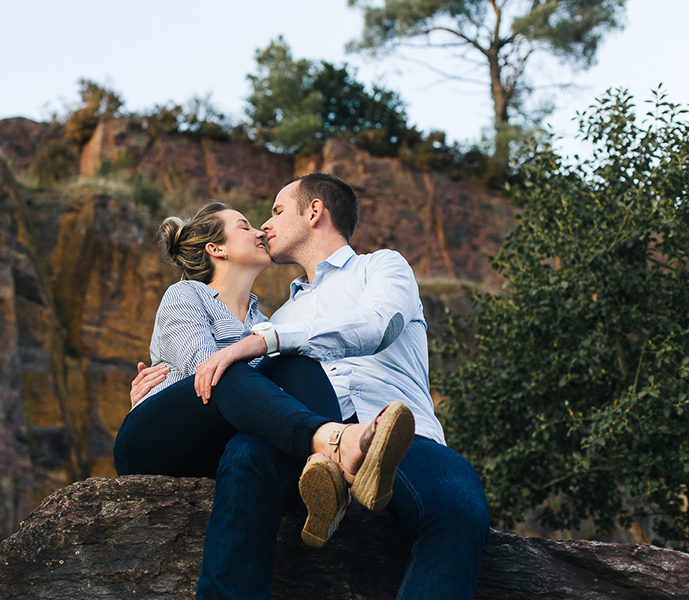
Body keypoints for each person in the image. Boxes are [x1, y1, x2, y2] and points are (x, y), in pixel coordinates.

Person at [132, 174, 490, 599]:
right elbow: (237, 391)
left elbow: (379, 325)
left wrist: (269, 341)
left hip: (393, 434)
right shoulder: (274, 317)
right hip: (303, 449)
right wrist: (156, 394)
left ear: (314, 211)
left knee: (458, 506)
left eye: (277, 211)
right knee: (245, 454)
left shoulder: (379, 267)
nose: (265, 225)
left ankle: (346, 456)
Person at [114, 201, 415, 551]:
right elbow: (206, 373)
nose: (260, 231)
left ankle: (324, 474)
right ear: (217, 249)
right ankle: (338, 442)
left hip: (213, 449)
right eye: (244, 226)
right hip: (156, 442)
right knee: (225, 369)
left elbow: (263, 400)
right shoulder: (186, 295)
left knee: (296, 362)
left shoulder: (265, 324)